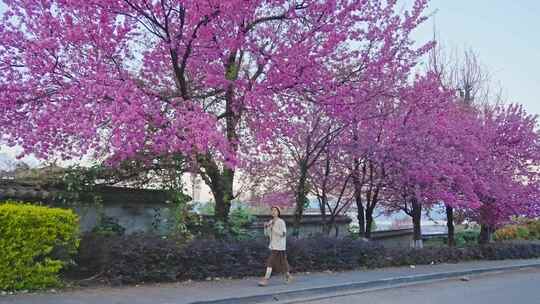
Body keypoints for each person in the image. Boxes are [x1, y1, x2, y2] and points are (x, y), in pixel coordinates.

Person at [258, 206, 293, 286]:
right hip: (273, 245)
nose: (273, 212)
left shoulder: (281, 222)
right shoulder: (270, 221)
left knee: (270, 262)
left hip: (280, 246)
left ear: (278, 212)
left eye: (275, 210)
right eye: (272, 210)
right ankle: (288, 276)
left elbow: (283, 234)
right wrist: (265, 227)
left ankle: (265, 279)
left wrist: (273, 227)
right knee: (282, 263)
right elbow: (266, 234)